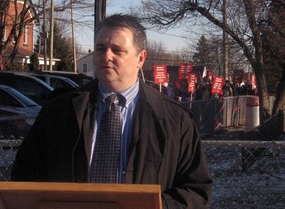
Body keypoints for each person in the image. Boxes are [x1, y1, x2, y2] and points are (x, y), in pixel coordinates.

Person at [11, 14, 213, 208]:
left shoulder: (174, 120)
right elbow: (25, 175)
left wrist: (154, 206)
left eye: (117, 50)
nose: (106, 56)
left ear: (140, 58)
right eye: (100, 48)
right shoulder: (60, 112)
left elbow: (196, 190)